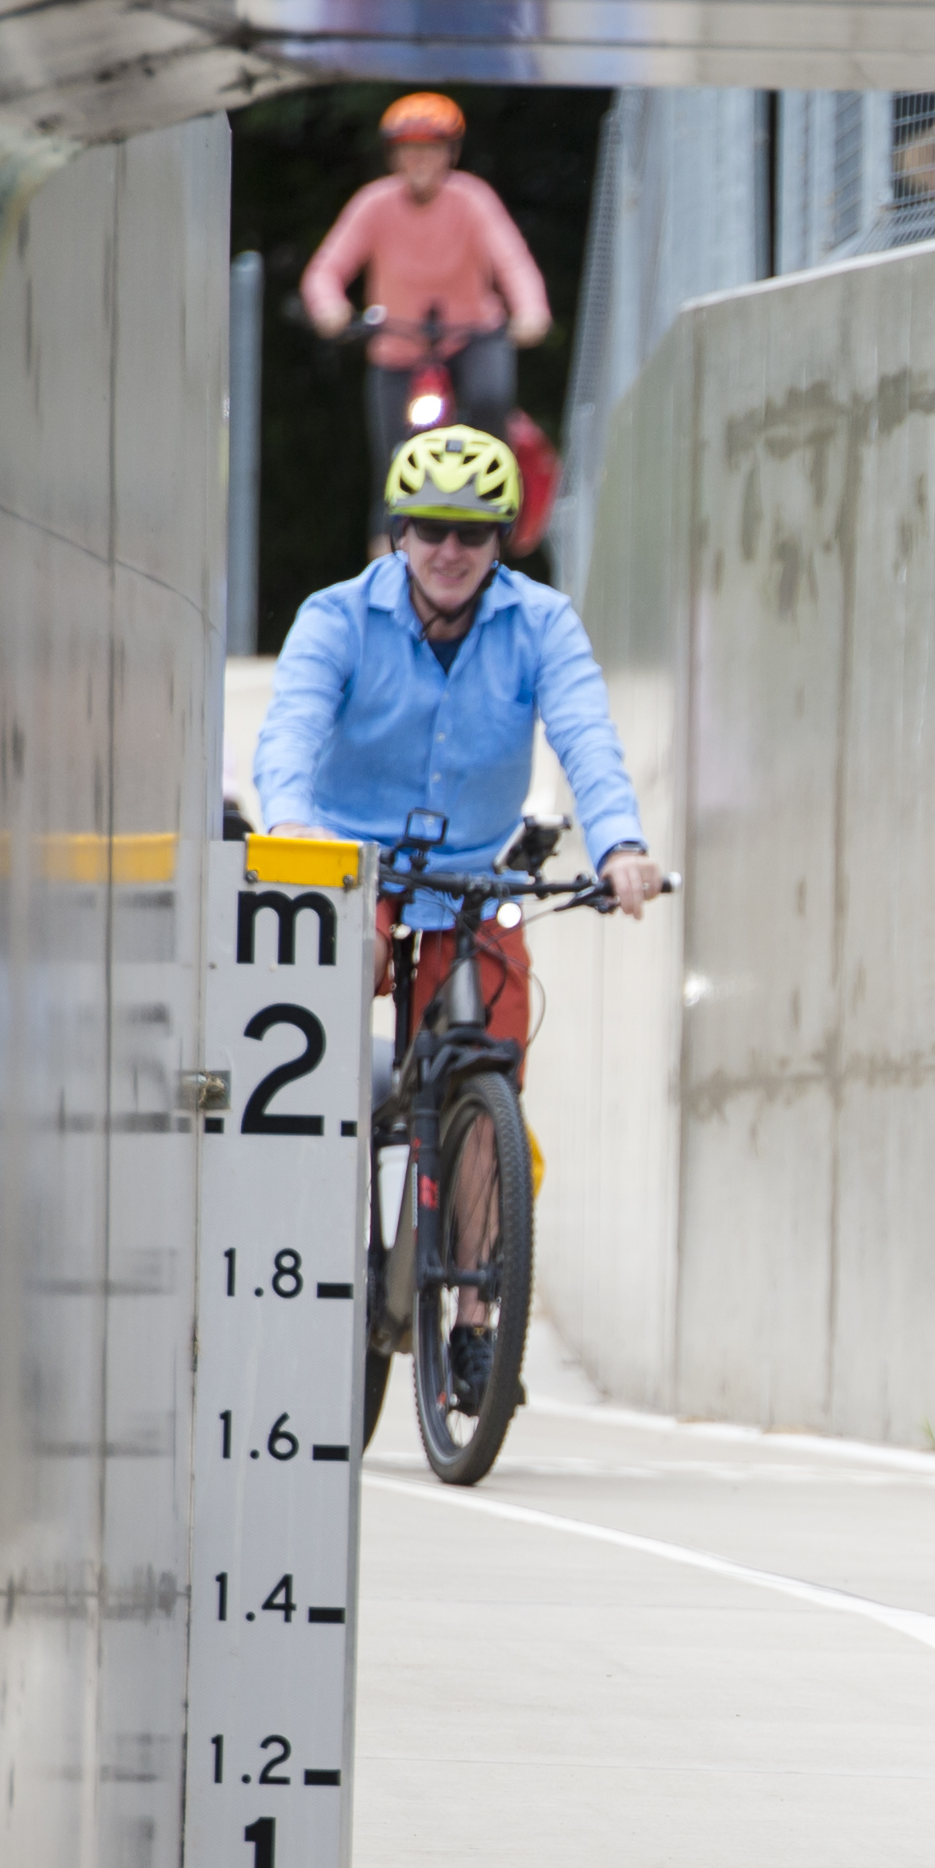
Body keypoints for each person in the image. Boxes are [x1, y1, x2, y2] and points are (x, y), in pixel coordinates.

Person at [251, 428, 669, 1404]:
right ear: (400, 532)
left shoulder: (543, 623)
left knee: (491, 1077)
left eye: (474, 534)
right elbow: (291, 733)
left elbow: (588, 740)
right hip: (351, 865)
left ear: (502, 541)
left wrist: (619, 847)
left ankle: (474, 1321)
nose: (450, 550)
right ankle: (316, 1236)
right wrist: (292, 826)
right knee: (329, 1001)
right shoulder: (337, 617)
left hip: (476, 879)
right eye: (432, 529)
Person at [297, 93, 553, 467]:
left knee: (488, 403)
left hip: (472, 336)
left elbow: (513, 262)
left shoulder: (472, 200)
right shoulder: (373, 204)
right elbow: (325, 271)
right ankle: (393, 525)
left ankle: (497, 505)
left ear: (451, 154)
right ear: (392, 156)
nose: (419, 160)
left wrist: (531, 313)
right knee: (393, 461)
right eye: (408, 149)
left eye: (431, 150)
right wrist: (330, 310)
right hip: (398, 345)